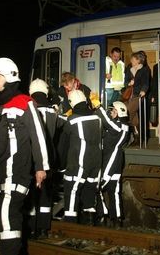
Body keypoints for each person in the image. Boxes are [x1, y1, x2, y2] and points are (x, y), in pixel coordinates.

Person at [0, 57, 49, 255]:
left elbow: (38, 135)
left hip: (17, 172)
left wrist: (41, 167)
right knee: (1, 219)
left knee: (8, 216)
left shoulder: (25, 103)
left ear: (8, 77)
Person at [27, 78, 66, 239]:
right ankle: (43, 229)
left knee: (31, 197)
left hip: (32, 160)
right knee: (45, 196)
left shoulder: (28, 110)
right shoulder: (52, 112)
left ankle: (31, 229)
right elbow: (63, 124)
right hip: (49, 161)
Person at [57, 90, 102, 225]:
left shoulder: (72, 120)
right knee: (89, 196)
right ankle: (89, 227)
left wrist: (61, 165)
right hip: (95, 164)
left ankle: (71, 229)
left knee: (71, 193)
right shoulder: (97, 118)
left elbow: (63, 146)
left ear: (71, 103)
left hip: (78, 164)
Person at [93, 100, 129, 228]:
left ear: (118, 113)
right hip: (117, 162)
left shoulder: (118, 126)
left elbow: (107, 122)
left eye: (113, 111)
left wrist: (98, 107)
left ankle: (103, 213)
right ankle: (117, 219)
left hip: (110, 161)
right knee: (114, 191)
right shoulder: (123, 125)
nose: (111, 112)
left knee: (96, 187)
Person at [124, 52, 150, 145]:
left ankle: (126, 134)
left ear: (138, 60)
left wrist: (143, 90)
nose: (131, 60)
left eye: (133, 59)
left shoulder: (145, 69)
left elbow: (146, 82)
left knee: (128, 112)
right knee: (134, 116)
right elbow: (125, 81)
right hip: (128, 95)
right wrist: (128, 83)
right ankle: (137, 137)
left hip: (137, 95)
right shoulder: (129, 68)